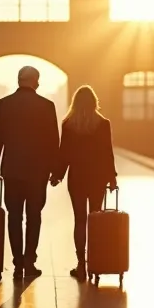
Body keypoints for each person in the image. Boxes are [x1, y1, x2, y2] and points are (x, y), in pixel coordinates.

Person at [0, 65, 60, 280]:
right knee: (34, 217)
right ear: (35, 81)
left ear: (19, 80)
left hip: (12, 170)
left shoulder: (4, 104)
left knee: (14, 216)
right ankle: (30, 262)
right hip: (38, 172)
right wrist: (55, 171)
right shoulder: (47, 106)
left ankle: (17, 263)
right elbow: (52, 141)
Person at [50, 85, 116, 280]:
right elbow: (107, 153)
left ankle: (81, 265)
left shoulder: (68, 124)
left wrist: (57, 175)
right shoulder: (103, 123)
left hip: (77, 177)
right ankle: (95, 263)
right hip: (97, 178)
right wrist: (111, 178)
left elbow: (64, 153)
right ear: (95, 102)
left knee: (80, 220)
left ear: (75, 102)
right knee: (95, 220)